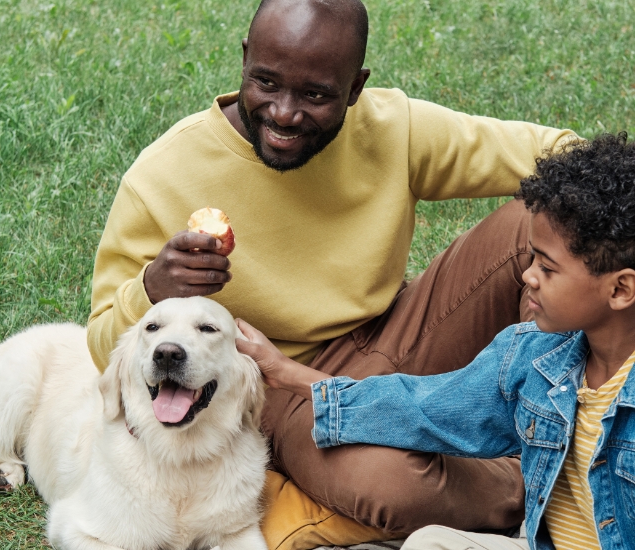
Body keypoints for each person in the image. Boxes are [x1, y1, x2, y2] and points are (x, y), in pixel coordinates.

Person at [87, 0, 577, 547]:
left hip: (402, 329)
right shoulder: (163, 175)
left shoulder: (396, 127)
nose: (284, 113)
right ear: (245, 59)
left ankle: (589, 409)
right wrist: (152, 288)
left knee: (548, 217)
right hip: (278, 381)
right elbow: (104, 340)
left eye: (315, 94)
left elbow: (561, 155)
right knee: (388, 488)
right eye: (265, 83)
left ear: (355, 87)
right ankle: (555, 481)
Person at [236, 133, 635, 550]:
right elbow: (422, 407)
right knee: (428, 543)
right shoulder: (532, 355)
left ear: (620, 290)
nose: (528, 275)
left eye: (548, 269)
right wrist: (288, 374)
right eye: (532, 258)